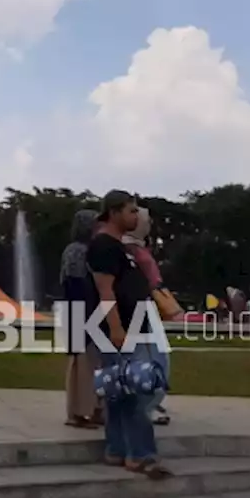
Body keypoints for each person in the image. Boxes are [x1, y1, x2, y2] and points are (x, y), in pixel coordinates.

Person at [89, 190, 170, 480]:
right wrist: (116, 329)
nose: (136, 216)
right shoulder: (104, 246)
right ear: (114, 212)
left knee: (119, 390)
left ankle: (118, 449)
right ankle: (141, 454)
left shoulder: (119, 247)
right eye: (132, 211)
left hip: (130, 325)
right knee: (136, 390)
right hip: (122, 328)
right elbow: (105, 291)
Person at [123, 207, 171, 427]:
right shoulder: (128, 247)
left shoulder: (138, 246)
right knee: (150, 357)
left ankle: (152, 400)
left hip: (148, 304)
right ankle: (147, 403)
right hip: (140, 306)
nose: (148, 223)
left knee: (157, 356)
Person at [61, 209, 103, 428]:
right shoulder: (77, 251)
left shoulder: (87, 249)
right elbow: (76, 284)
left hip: (85, 313)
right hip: (80, 314)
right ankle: (79, 412)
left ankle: (92, 408)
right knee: (82, 365)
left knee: (92, 363)